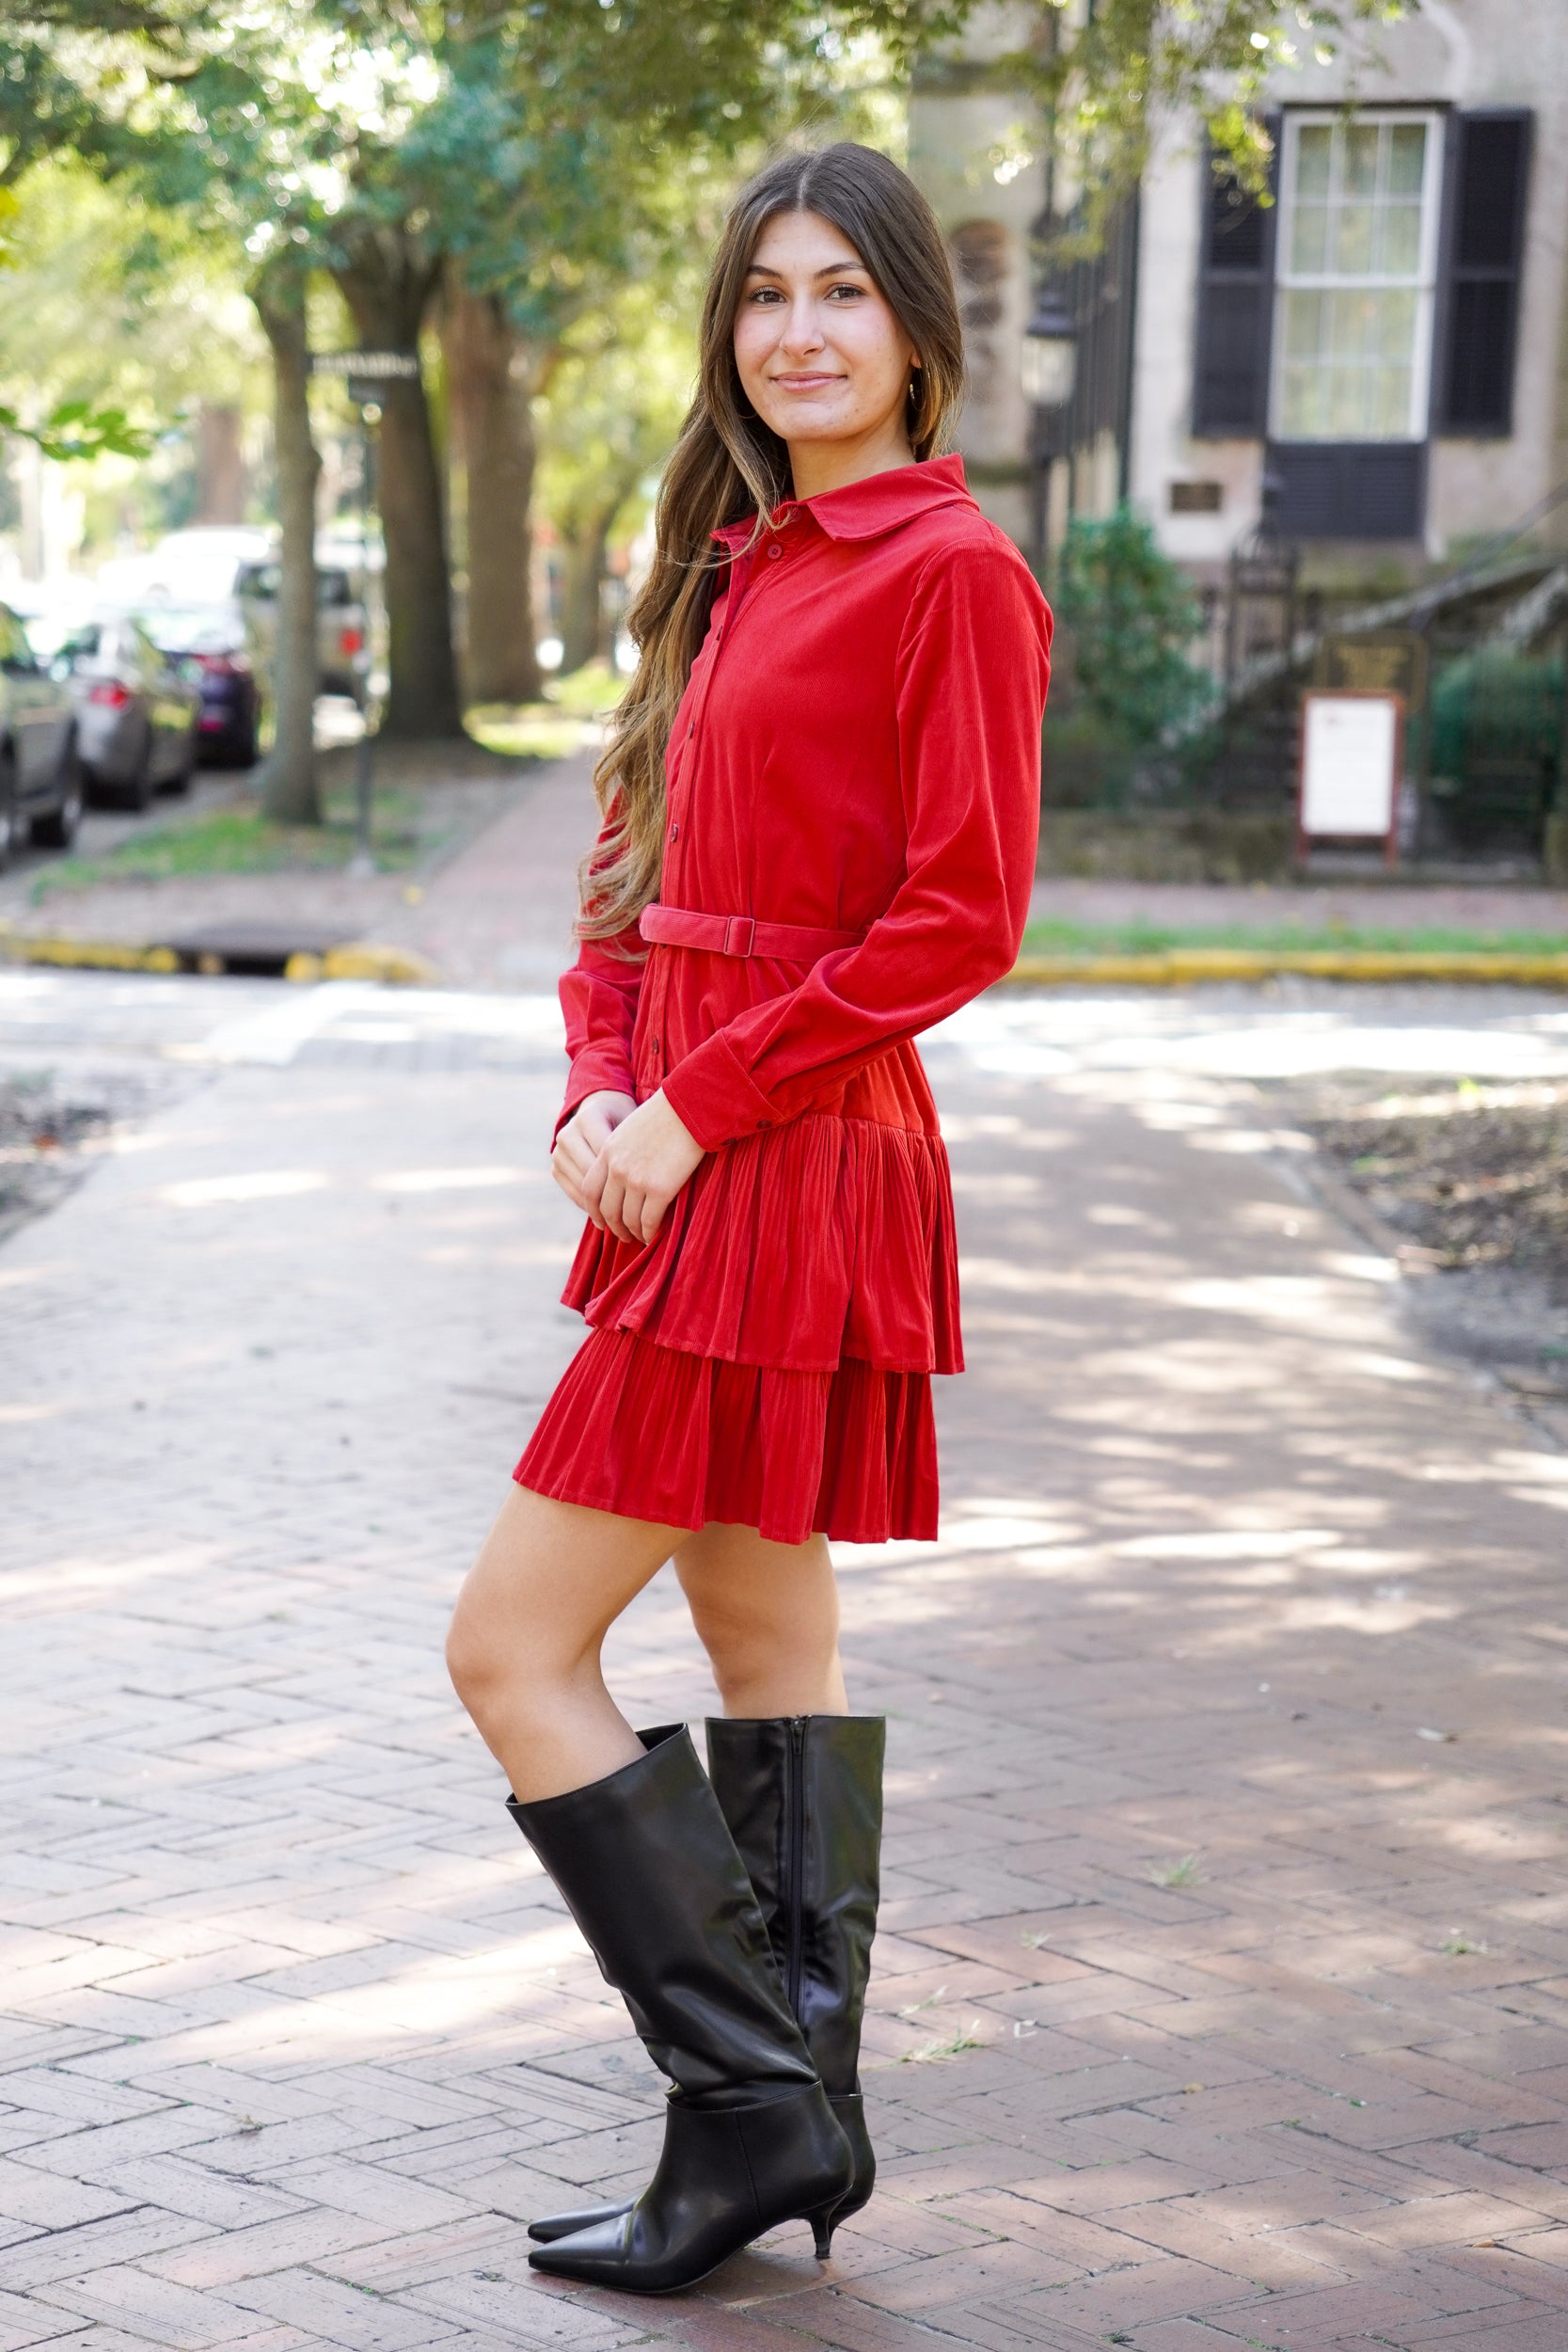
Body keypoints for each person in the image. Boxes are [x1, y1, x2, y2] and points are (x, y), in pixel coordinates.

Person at [446, 140, 1052, 2296]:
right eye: (765, 292)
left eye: (842, 293)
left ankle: (746, 2100)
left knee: (511, 1649)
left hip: (791, 1153)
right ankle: (802, 2121)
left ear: (914, 333)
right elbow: (630, 857)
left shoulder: (948, 571)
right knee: (765, 1644)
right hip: (687, 1138)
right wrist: (602, 1074)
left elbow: (957, 915)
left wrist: (691, 1106)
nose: (798, 328)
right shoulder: (727, 555)